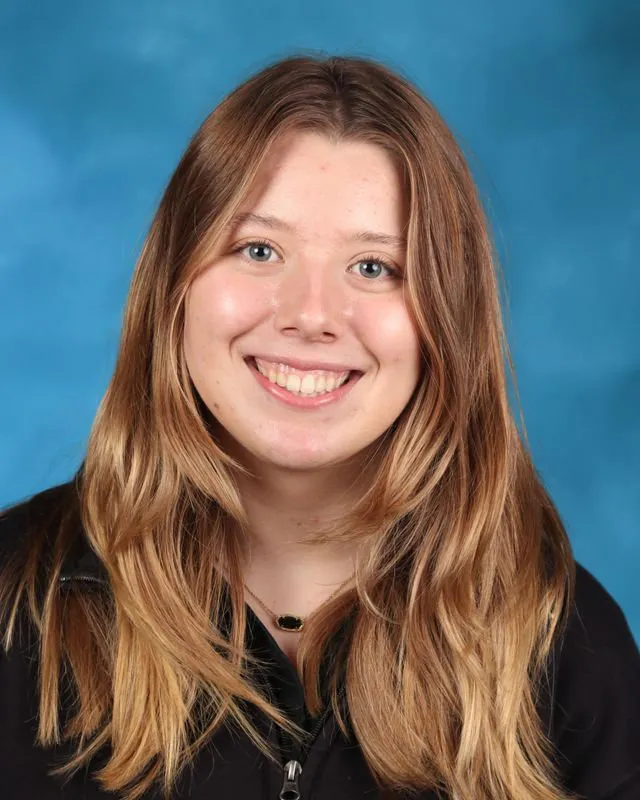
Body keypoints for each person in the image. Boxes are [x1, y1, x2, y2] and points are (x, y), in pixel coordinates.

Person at [0, 54, 638, 800]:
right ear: (174, 286)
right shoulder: (17, 603)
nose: (309, 314)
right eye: (259, 249)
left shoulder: (564, 642)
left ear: (448, 319)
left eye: (375, 268)